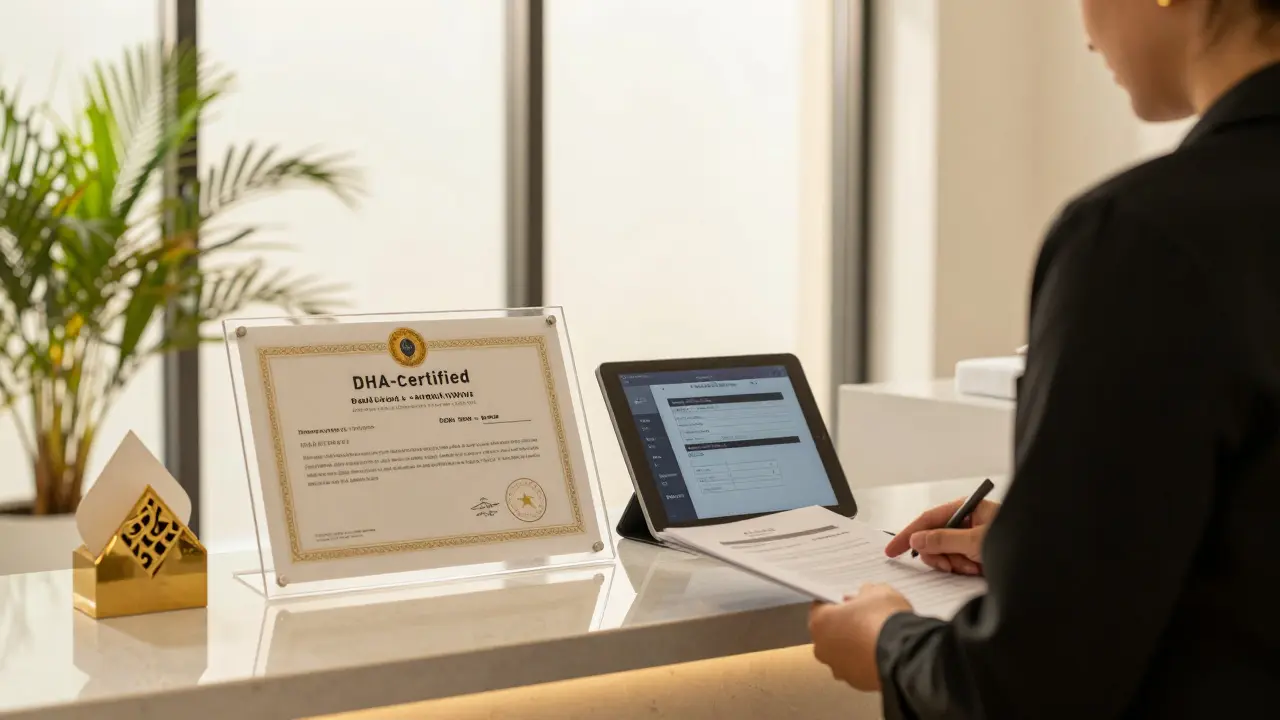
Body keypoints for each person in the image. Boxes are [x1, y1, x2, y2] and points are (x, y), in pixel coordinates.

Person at [808, 0, 1280, 717]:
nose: (1086, 35)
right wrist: (1051, 551)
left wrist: (886, 643)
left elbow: (1027, 689)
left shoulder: (1141, 238)